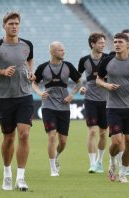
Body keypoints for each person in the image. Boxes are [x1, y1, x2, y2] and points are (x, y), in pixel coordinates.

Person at [0, 12, 35, 191]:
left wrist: (31, 72)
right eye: (11, 23)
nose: (14, 26)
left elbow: (29, 60)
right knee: (9, 137)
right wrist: (2, 72)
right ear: (4, 26)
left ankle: (21, 177)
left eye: (17, 23)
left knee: (24, 134)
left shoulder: (27, 45)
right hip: (4, 97)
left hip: (25, 95)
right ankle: (7, 174)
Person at [96, 33, 129, 183]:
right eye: (115, 42)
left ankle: (123, 173)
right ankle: (112, 162)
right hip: (113, 107)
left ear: (127, 44)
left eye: (120, 42)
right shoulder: (107, 61)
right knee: (118, 142)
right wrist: (106, 85)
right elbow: (98, 79)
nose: (117, 44)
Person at [33, 41, 82, 177]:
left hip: (64, 107)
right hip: (48, 107)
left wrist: (72, 95)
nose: (63, 52)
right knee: (51, 136)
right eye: (61, 50)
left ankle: (57, 156)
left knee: (63, 141)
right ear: (53, 52)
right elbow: (34, 83)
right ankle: (53, 168)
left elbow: (79, 82)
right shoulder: (43, 67)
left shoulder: (68, 66)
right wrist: (39, 93)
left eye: (63, 50)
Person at [77, 33, 108, 173]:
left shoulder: (108, 59)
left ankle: (100, 161)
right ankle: (92, 164)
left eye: (104, 43)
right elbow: (78, 79)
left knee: (103, 133)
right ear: (92, 44)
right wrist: (81, 87)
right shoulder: (84, 60)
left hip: (107, 101)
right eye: (100, 43)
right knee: (92, 131)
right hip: (90, 100)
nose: (103, 45)